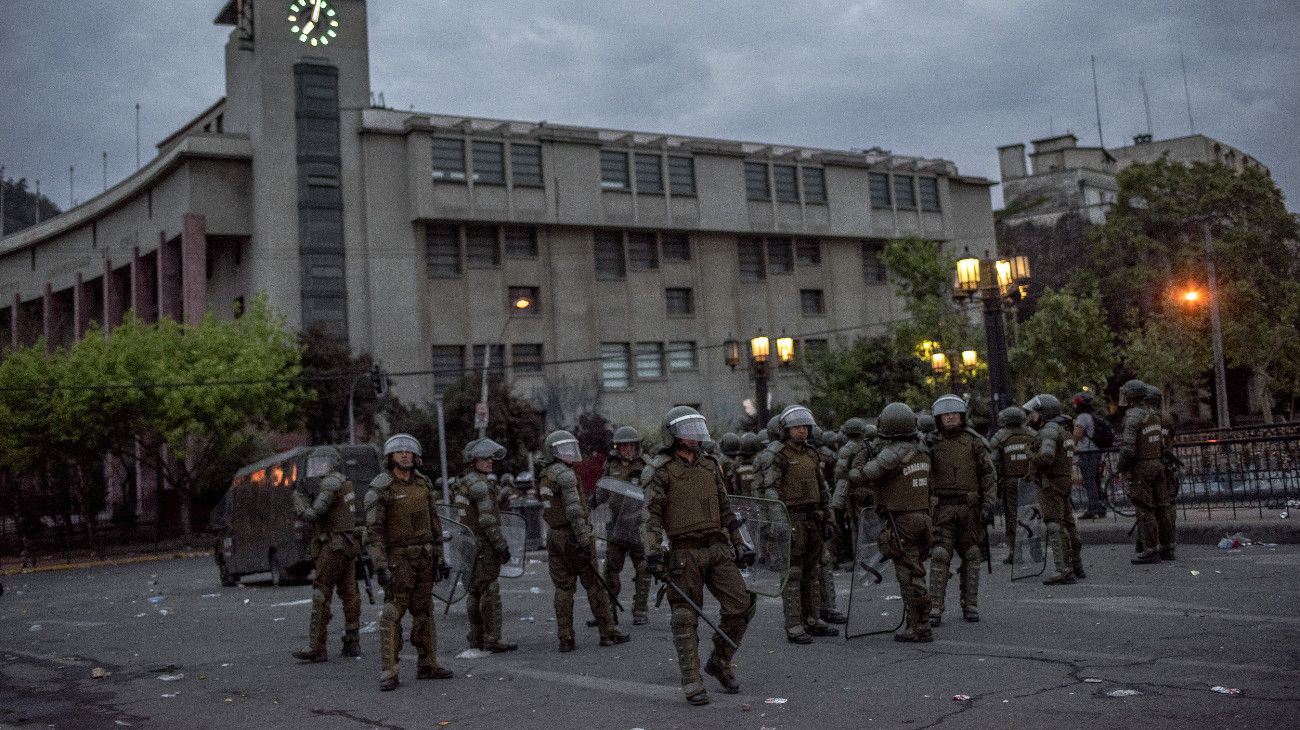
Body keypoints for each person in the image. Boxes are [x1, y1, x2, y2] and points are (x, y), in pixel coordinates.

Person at [642, 406, 756, 706]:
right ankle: (692, 680)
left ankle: (720, 659)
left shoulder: (709, 464)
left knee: (741, 605)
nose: (694, 435)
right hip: (683, 552)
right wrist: (653, 553)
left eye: (697, 428)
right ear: (673, 436)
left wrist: (739, 542)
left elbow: (726, 508)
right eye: (687, 430)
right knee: (684, 617)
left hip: (717, 548)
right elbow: (650, 516)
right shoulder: (660, 470)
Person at [365, 434, 453, 690]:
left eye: (408, 451)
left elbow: (434, 523)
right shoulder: (381, 487)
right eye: (398, 452)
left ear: (416, 456)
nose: (404, 455)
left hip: (424, 558)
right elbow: (373, 532)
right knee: (393, 612)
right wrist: (379, 566)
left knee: (425, 611)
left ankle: (428, 664)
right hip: (398, 560)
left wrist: (440, 558)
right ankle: (389, 671)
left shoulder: (423, 484)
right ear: (390, 457)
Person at [848, 402, 933, 643]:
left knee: (908, 574)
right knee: (917, 570)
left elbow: (863, 475)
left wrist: (860, 458)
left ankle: (919, 626)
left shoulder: (894, 452)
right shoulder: (922, 449)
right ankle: (920, 621)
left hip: (902, 520)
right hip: (923, 516)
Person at [539, 430, 629, 652]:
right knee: (595, 585)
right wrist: (583, 540)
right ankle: (607, 632)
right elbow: (574, 510)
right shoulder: (566, 475)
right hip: (573, 535)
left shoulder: (545, 475)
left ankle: (565, 637)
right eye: (564, 449)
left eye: (571, 448)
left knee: (563, 588)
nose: (570, 453)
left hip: (554, 536)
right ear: (554, 453)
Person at [762, 405, 839, 643]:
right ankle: (794, 624)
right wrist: (778, 523)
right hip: (791, 518)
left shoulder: (811, 454)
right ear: (785, 429)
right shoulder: (776, 455)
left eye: (805, 427)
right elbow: (771, 491)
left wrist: (829, 517)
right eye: (797, 427)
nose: (802, 431)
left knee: (812, 572)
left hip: (813, 519)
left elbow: (822, 488)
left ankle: (813, 618)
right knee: (793, 574)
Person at [925, 395, 996, 625]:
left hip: (970, 508)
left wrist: (988, 505)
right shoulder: (930, 443)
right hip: (942, 509)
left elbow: (988, 475)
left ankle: (970, 604)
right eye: (945, 415)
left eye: (954, 413)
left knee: (972, 555)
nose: (950, 417)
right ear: (938, 419)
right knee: (939, 555)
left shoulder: (974, 441)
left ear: (962, 416)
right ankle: (934, 606)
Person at [290, 446, 362, 662]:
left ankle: (317, 647)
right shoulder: (344, 481)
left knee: (321, 593)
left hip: (333, 546)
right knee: (350, 594)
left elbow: (314, 513)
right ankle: (352, 640)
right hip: (347, 544)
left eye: (321, 463)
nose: (317, 468)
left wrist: (298, 500)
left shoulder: (331, 482)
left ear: (331, 463)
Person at [460, 438, 518, 653]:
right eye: (484, 458)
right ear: (473, 461)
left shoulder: (464, 483)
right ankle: (492, 638)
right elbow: (487, 520)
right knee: (490, 590)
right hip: (483, 546)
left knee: (474, 592)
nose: (490, 461)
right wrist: (501, 546)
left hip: (468, 544)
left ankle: (476, 637)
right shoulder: (480, 485)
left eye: (490, 457)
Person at [590, 426, 651, 625]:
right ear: (618, 448)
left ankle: (640, 609)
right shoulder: (611, 465)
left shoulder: (646, 465)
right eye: (623, 446)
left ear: (636, 446)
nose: (627, 449)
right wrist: (590, 505)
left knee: (644, 567)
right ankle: (610, 611)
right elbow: (602, 491)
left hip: (638, 525)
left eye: (630, 445)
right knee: (610, 570)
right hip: (616, 525)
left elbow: (654, 493)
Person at [1025, 395, 1085, 584]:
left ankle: (1063, 570)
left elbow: (1046, 458)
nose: (1030, 417)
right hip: (1064, 482)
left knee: (1054, 525)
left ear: (1043, 414)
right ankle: (1077, 566)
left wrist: (1029, 453)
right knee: (1069, 524)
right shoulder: (1064, 431)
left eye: (1033, 413)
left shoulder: (1048, 431)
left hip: (1050, 485)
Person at [1118, 379, 1173, 565]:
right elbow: (1162, 445)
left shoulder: (1133, 416)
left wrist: (1121, 467)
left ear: (1131, 396)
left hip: (1141, 468)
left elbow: (1128, 449)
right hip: (1157, 465)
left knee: (1145, 509)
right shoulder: (1155, 416)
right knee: (1162, 507)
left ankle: (1151, 549)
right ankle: (1167, 546)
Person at [988, 407, 1036, 564]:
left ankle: (1014, 552)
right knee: (1033, 515)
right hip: (1030, 481)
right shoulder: (1032, 434)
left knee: (1012, 517)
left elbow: (993, 462)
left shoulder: (1000, 437)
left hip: (1010, 482)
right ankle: (1036, 552)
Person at [1145, 383, 1178, 560]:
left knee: (1151, 507)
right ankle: (1169, 543)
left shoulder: (1150, 418)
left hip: (1153, 466)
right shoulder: (1168, 418)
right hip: (1167, 464)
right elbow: (1171, 437)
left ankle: (1154, 544)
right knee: (1168, 506)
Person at [1072, 393, 1106, 519]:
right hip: (1096, 451)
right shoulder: (1092, 415)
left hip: (1087, 452)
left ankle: (1093, 509)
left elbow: (1078, 433)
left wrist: (1072, 445)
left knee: (1089, 481)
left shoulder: (1082, 417)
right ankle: (1100, 507)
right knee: (1096, 481)